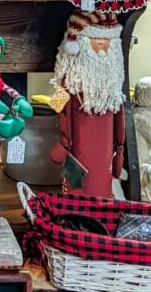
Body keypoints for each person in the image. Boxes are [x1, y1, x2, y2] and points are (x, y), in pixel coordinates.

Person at [50, 11, 126, 197]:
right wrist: (64, 139)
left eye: (106, 41)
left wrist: (120, 148)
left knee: (100, 179)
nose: (101, 45)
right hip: (77, 143)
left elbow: (120, 117)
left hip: (105, 146)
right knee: (78, 179)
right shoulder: (72, 80)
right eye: (95, 40)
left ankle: (102, 202)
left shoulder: (113, 88)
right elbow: (60, 103)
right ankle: (75, 206)